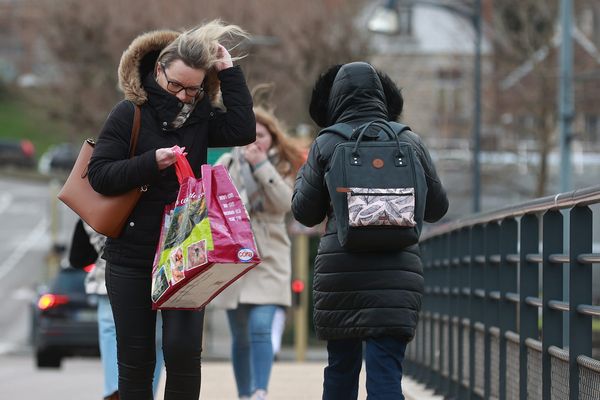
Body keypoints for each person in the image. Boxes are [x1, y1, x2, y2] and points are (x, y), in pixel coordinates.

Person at [87, 20, 256, 400]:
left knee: (183, 354)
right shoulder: (128, 112)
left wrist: (229, 72)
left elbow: (243, 129)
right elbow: (98, 175)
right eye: (175, 85)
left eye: (193, 89)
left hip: (185, 254)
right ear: (158, 70)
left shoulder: (200, 117)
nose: (182, 95)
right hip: (131, 254)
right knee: (136, 361)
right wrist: (151, 162)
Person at [291, 62, 449, 400]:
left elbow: (305, 213)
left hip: (341, 275)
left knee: (340, 370)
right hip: (397, 276)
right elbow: (438, 208)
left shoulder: (327, 142)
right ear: (381, 94)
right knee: (386, 375)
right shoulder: (408, 140)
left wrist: (303, 177)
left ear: (335, 100)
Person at [212, 104, 304, 400]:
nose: (254, 140)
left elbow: (287, 204)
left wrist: (262, 166)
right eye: (249, 135)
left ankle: (260, 391)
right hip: (235, 257)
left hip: (270, 257)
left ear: (272, 137)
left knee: (262, 326)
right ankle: (244, 394)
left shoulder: (284, 165)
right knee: (240, 335)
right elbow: (215, 203)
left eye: (261, 135)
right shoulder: (227, 162)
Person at [71, 220, 165, 400]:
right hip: (159, 273)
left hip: (112, 274)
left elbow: (78, 257)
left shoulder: (99, 201)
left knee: (112, 331)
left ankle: (115, 391)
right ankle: (145, 393)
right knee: (155, 338)